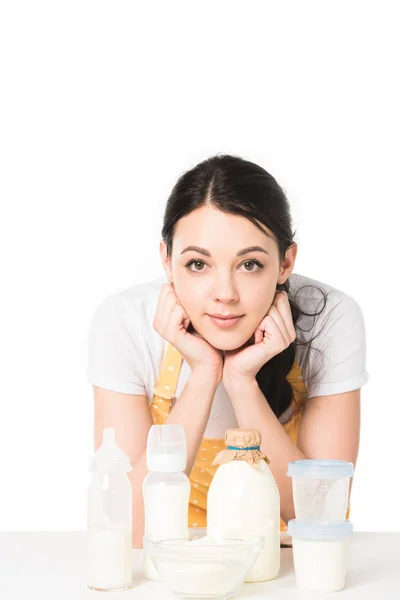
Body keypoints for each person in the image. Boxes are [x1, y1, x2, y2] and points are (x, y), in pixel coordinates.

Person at [87, 154, 369, 548]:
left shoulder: (329, 318)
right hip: (175, 562)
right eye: (198, 264)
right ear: (167, 261)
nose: (225, 294)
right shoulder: (125, 323)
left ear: (285, 263)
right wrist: (203, 375)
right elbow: (129, 529)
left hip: (287, 566)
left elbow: (322, 513)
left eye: (250, 264)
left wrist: (241, 382)